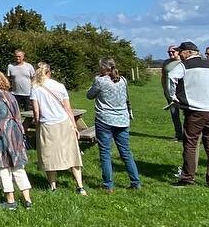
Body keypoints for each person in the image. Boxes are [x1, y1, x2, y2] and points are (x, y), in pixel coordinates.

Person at [168, 41, 209, 187]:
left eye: (181, 52)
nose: (179, 55)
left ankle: (187, 178)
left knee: (190, 143)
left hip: (195, 110)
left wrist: (173, 96)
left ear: (188, 52)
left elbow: (172, 77)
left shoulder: (184, 66)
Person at [31, 62, 87, 194]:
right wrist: (74, 126)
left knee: (48, 156)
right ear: (49, 73)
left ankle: (53, 186)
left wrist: (38, 125)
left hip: (47, 124)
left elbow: (36, 111)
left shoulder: (35, 88)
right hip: (64, 122)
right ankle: (80, 186)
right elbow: (68, 108)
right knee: (72, 154)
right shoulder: (59, 86)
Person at [87, 58, 139, 190]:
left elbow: (90, 95)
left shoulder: (100, 81)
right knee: (126, 152)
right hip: (122, 119)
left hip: (104, 119)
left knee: (105, 153)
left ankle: (108, 184)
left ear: (104, 68)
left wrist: (95, 81)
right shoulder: (123, 80)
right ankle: (135, 182)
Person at [0, 70, 32, 211]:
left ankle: (10, 201)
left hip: (0, 135)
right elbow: (17, 116)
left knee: (2, 167)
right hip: (15, 133)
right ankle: (27, 200)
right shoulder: (11, 96)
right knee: (18, 166)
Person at [161, 45, 185, 144]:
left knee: (186, 114)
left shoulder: (183, 62)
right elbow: (163, 76)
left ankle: (188, 134)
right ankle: (178, 134)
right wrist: (164, 89)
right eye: (169, 52)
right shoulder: (166, 63)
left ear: (178, 52)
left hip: (181, 92)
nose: (171, 53)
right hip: (169, 93)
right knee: (174, 114)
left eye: (173, 51)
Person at [6, 49, 36, 116]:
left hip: (27, 93)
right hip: (15, 93)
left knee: (29, 113)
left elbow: (34, 78)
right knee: (15, 113)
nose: (17, 58)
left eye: (19, 56)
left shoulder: (29, 66)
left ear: (23, 57)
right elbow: (7, 79)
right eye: (16, 56)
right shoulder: (10, 66)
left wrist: (33, 88)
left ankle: (27, 125)